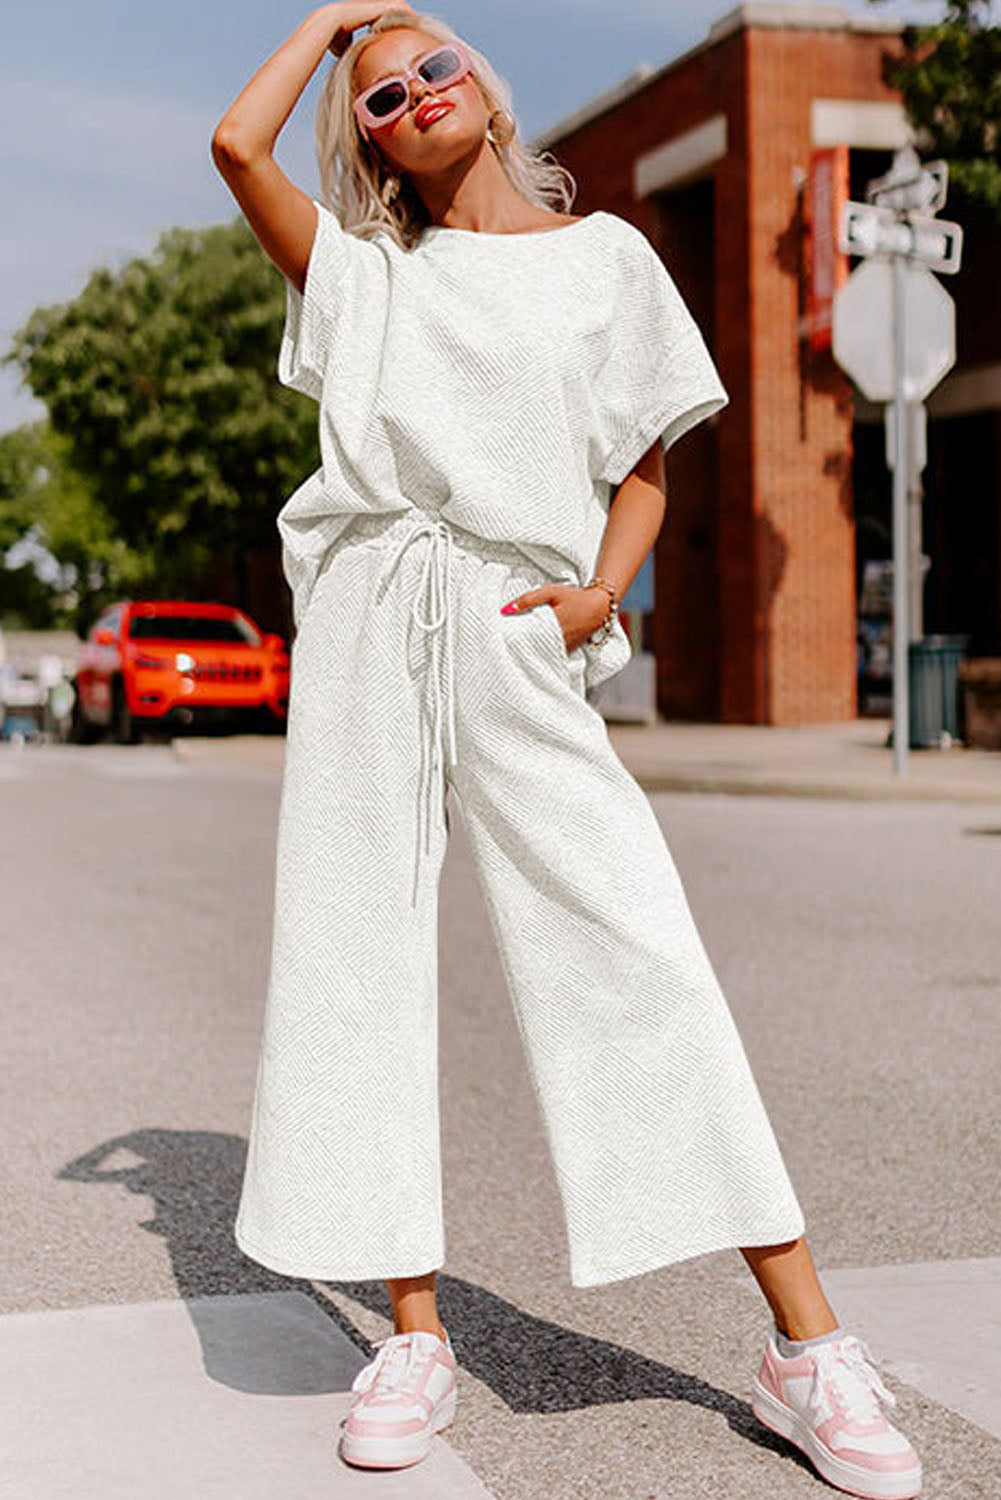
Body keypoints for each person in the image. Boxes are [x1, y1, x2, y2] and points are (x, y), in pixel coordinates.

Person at [211, 7, 922, 1495]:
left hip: (518, 614)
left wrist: (599, 593)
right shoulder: (369, 277)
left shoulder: (607, 258)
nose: (412, 94)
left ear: (481, 81)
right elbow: (233, 144)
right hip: (369, 611)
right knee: (359, 957)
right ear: (372, 142)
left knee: (633, 944)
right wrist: (332, 21)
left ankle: (802, 1343)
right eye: (383, 96)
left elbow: (643, 468)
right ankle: (412, 1333)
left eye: (432, 65)